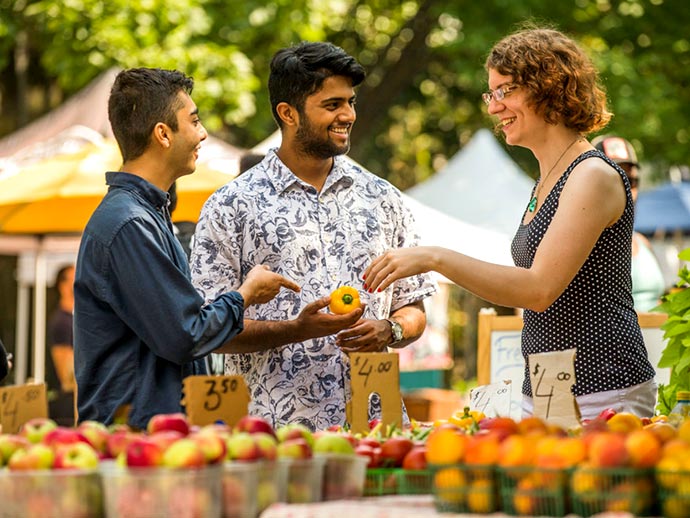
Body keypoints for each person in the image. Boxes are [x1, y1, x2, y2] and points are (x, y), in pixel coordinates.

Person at [363, 26, 657, 421]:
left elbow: (537, 290)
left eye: (506, 91)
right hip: (550, 384)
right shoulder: (551, 174)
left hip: (604, 386)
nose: (493, 106)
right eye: (492, 93)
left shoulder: (592, 175)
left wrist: (435, 257)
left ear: (549, 88)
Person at [190, 41, 436, 431]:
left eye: (350, 102)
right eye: (332, 104)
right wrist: (295, 330)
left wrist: (391, 329)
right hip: (273, 438)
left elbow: (414, 310)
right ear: (287, 113)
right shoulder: (231, 206)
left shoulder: (383, 199)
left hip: (377, 430)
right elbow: (207, 329)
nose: (348, 115)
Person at [73, 67, 300, 430]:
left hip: (161, 433)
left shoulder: (147, 215)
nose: (203, 133)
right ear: (163, 134)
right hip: (138, 441)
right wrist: (244, 295)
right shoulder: (129, 223)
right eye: (193, 121)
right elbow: (184, 335)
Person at [593, 135, 666, 311]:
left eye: (631, 181)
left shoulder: (642, 242)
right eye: (617, 179)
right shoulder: (580, 243)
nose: (626, 189)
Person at [47, 264, 76, 425]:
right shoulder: (61, 322)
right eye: (74, 278)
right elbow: (66, 375)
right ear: (62, 286)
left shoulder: (73, 318)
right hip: (66, 405)